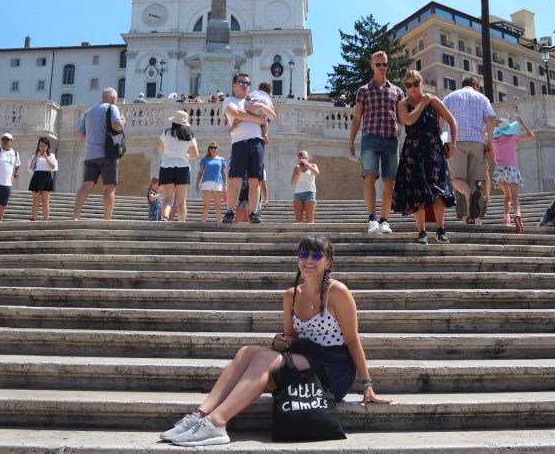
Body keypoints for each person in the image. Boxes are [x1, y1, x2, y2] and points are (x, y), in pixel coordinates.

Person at [158, 236, 391, 447]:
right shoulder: (291, 294)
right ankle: (200, 415)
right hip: (305, 358)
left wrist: (367, 384)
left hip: (334, 367)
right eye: (304, 254)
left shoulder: (337, 292)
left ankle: (217, 422)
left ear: (328, 262)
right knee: (247, 351)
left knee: (264, 358)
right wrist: (280, 341)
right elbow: (292, 337)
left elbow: (352, 339)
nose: (309, 260)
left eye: (317, 255)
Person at [391, 70, 458, 245]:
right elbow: (409, 121)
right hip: (413, 150)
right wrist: (423, 103)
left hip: (433, 147)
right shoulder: (402, 104)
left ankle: (441, 229)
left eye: (415, 84)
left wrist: (453, 144)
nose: (412, 88)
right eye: (408, 85)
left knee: (438, 191)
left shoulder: (434, 101)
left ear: (421, 83)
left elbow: (452, 121)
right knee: (416, 191)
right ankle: (421, 232)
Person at [349, 51, 404, 234]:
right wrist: (351, 141)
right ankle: (372, 219)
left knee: (390, 182)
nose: (382, 67)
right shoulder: (363, 90)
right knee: (370, 177)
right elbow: (357, 117)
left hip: (391, 139)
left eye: (384, 64)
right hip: (370, 138)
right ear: (372, 66)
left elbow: (403, 118)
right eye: (378, 64)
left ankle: (384, 220)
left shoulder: (397, 91)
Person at [441, 76, 497, 225]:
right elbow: (490, 119)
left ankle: (469, 200)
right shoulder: (482, 98)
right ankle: (474, 220)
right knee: (474, 181)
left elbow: (440, 117)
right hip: (477, 142)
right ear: (476, 85)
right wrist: (489, 143)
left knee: (456, 179)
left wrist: (440, 139)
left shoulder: (450, 97)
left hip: (456, 141)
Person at [221, 73, 274, 224]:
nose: (244, 84)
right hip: (239, 141)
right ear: (234, 85)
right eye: (241, 82)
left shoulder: (255, 101)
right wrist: (258, 119)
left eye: (247, 82)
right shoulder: (229, 100)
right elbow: (236, 113)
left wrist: (262, 108)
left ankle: (254, 211)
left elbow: (271, 115)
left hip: (257, 141)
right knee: (236, 178)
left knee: (255, 179)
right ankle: (230, 211)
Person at [72, 87, 126, 220]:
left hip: (90, 154)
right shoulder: (112, 108)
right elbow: (116, 125)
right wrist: (124, 121)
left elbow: (79, 133)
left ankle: (76, 215)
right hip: (108, 154)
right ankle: (107, 220)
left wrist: (91, 141)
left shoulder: (89, 111)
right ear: (114, 99)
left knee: (86, 185)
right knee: (109, 187)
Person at [491, 116, 535, 233]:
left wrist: (491, 124)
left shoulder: (493, 138)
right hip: (511, 169)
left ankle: (506, 219)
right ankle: (518, 216)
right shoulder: (512, 137)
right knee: (515, 197)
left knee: (507, 196)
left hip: (500, 170)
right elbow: (531, 135)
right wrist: (523, 124)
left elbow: (483, 132)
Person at [158, 110, 200, 222]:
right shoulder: (189, 135)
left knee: (167, 199)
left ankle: (165, 217)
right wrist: (184, 155)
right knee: (181, 201)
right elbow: (195, 154)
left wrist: (169, 153)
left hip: (166, 167)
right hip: (183, 168)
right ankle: (181, 224)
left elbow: (159, 149)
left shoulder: (166, 133)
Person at [26, 136, 58, 221]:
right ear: (38, 146)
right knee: (35, 200)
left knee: (45, 201)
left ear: (47, 146)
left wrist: (46, 157)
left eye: (44, 146)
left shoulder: (51, 156)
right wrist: (37, 157)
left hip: (46, 177)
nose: (42, 147)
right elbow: (31, 166)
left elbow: (53, 167)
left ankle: (46, 219)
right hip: (37, 177)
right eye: (41, 146)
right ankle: (33, 218)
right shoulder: (34, 155)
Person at [196, 142, 227, 223]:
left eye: (215, 147)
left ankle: (220, 224)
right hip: (207, 183)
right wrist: (197, 183)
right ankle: (203, 223)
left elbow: (224, 173)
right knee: (206, 206)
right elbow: (200, 172)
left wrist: (226, 185)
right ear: (209, 149)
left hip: (218, 183)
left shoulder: (221, 159)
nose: (213, 149)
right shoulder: (205, 159)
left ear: (217, 149)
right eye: (211, 147)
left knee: (218, 206)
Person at [291, 150, 320, 223]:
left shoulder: (313, 165)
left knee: (310, 219)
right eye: (300, 158)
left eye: (304, 158)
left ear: (307, 158)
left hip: (309, 193)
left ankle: (310, 234)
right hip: (298, 194)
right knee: (298, 220)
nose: (302, 160)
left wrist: (308, 165)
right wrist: (298, 172)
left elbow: (317, 173)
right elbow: (293, 182)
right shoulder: (296, 167)